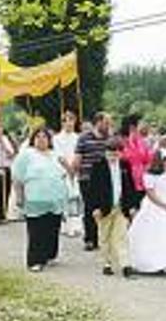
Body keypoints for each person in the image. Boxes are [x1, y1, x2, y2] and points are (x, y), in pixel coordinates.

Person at [12, 128, 68, 272]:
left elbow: (63, 173)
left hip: (55, 198)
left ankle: (49, 255)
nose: (42, 139)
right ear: (33, 139)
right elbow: (18, 177)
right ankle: (35, 260)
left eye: (44, 137)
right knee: (36, 230)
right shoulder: (27, 155)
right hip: (35, 199)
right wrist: (19, 196)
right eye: (38, 137)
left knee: (52, 228)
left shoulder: (55, 154)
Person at [89, 137, 136, 278]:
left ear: (120, 153)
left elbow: (130, 186)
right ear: (105, 152)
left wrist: (132, 205)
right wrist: (95, 208)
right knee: (104, 236)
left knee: (121, 236)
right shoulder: (98, 166)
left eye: (116, 153)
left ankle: (125, 265)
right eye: (110, 152)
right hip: (104, 207)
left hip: (121, 206)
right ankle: (107, 263)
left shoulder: (125, 165)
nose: (113, 156)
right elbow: (92, 190)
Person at [75, 112, 112, 251]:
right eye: (107, 122)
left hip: (104, 179)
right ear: (98, 122)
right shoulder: (84, 138)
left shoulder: (110, 138)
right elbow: (78, 158)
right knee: (90, 208)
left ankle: (104, 238)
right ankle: (90, 239)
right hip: (87, 178)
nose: (109, 125)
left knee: (104, 207)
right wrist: (74, 173)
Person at [53, 111, 82, 238]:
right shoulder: (56, 138)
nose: (69, 123)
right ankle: (66, 226)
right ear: (62, 122)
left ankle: (78, 226)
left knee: (77, 199)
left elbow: (79, 154)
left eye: (71, 120)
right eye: (66, 120)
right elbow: (59, 156)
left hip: (76, 171)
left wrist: (74, 168)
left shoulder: (78, 137)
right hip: (63, 172)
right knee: (66, 199)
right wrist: (68, 168)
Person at [119, 114, 152, 211]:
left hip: (142, 181)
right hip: (127, 181)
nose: (145, 125)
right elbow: (123, 158)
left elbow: (148, 159)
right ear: (133, 126)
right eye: (142, 123)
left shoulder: (142, 141)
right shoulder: (122, 141)